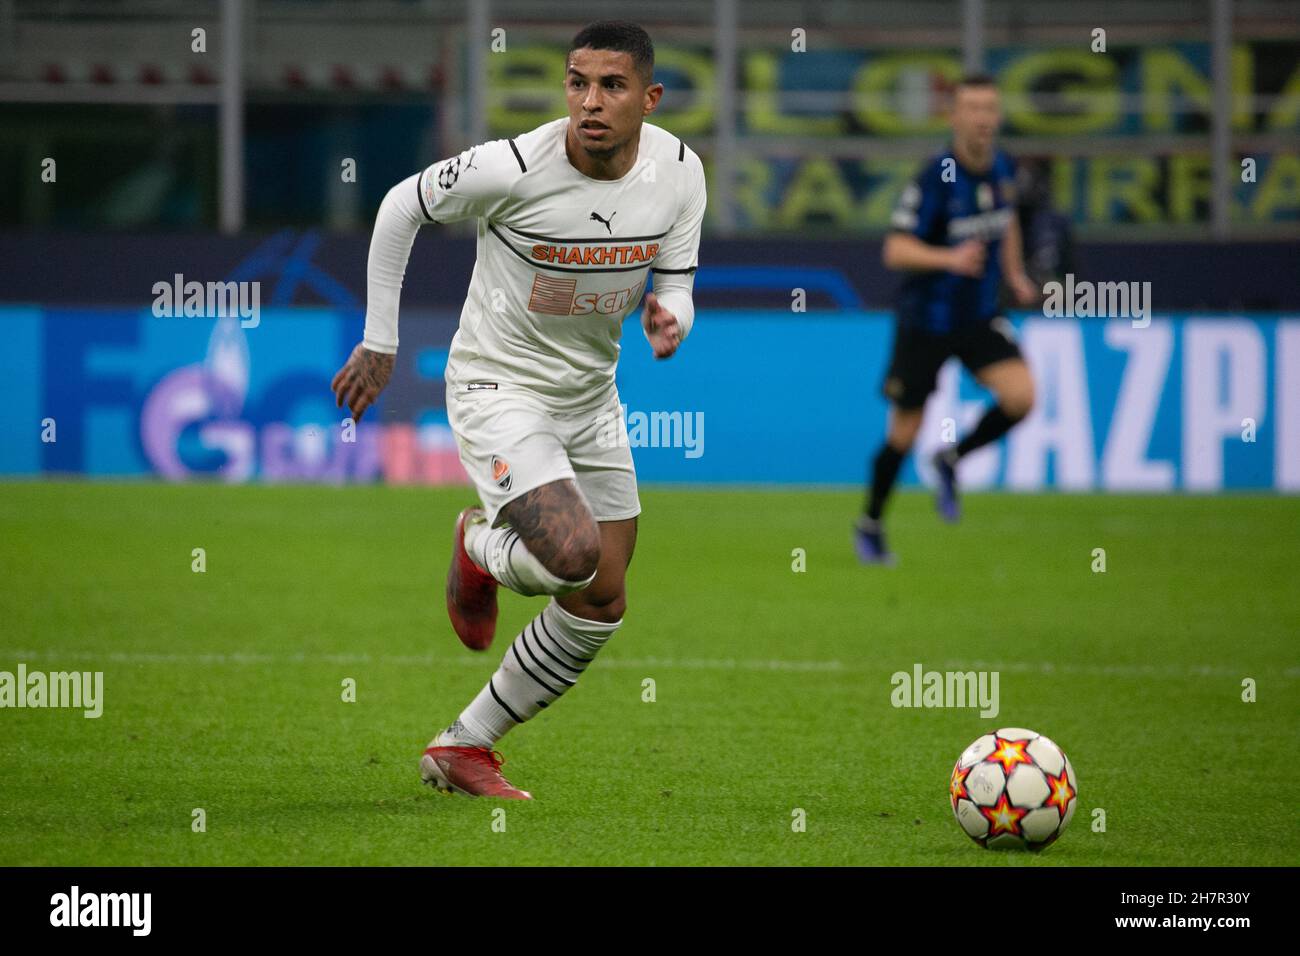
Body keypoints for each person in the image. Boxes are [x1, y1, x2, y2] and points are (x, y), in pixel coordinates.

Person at [329, 20, 706, 797]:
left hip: (591, 394)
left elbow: (676, 277)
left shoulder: (680, 171)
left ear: (650, 96)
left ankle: (464, 746)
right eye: (577, 83)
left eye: (611, 86)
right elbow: (402, 206)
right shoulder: (514, 166)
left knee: (601, 597)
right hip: (498, 386)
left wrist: (672, 313)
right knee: (571, 556)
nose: (590, 102)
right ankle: (478, 547)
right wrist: (380, 341)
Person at [856, 74, 1038, 565]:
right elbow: (894, 250)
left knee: (1021, 397)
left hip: (978, 316)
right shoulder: (937, 176)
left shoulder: (1002, 167)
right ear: (954, 117)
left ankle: (952, 458)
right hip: (927, 321)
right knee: (903, 433)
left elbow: (1008, 220)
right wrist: (950, 260)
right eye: (972, 109)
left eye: (990, 109)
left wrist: (1015, 274)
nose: (982, 119)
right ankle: (871, 521)